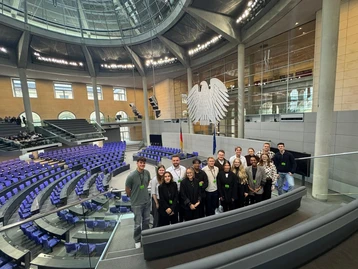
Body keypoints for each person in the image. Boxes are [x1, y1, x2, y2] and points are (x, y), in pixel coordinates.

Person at [125, 157, 151, 248]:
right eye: (141, 163)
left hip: (146, 202)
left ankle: (146, 237)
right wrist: (133, 197)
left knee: (146, 221)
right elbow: (127, 189)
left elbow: (147, 183)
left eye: (144, 163)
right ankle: (137, 239)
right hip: (136, 203)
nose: (142, 164)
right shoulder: (131, 176)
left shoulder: (147, 173)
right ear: (137, 163)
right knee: (137, 223)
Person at [166, 155, 186, 222]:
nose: (175, 162)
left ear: (179, 160)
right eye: (174, 160)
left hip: (183, 192)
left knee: (183, 209)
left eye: (177, 160)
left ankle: (182, 221)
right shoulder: (168, 170)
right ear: (172, 161)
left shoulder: (184, 169)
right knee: (175, 209)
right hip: (173, 194)